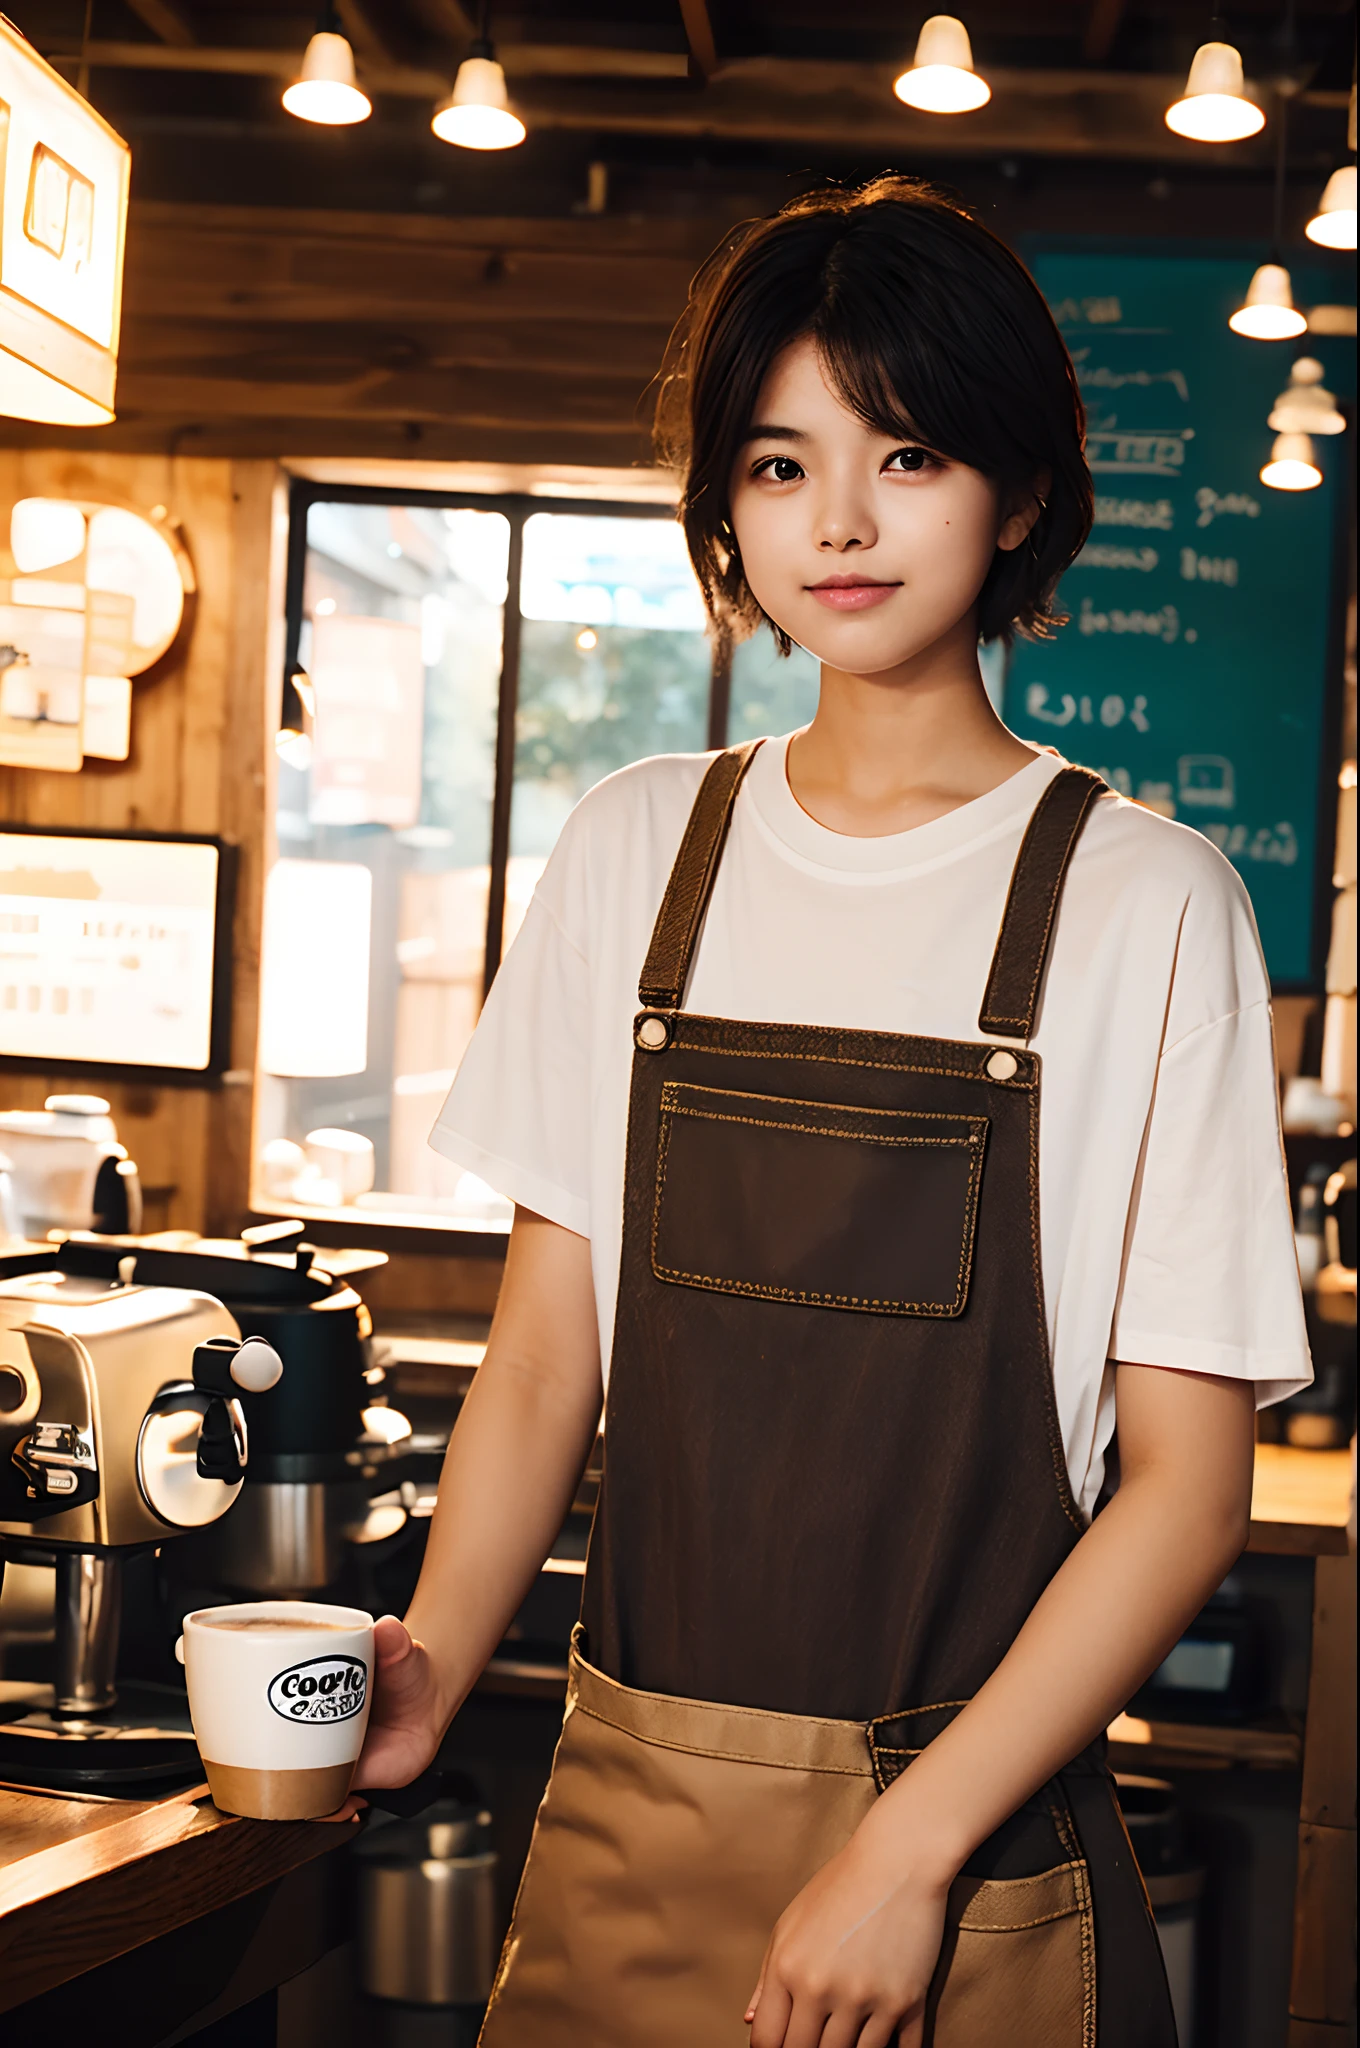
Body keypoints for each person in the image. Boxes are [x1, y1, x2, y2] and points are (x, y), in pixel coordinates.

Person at [345, 179, 1311, 2047]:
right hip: (624, 1810)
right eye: (783, 467)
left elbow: (1188, 1495)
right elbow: (549, 1364)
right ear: (727, 503)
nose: (842, 524)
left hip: (964, 1865)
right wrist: (433, 1671)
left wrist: (905, 1854)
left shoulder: (1148, 900)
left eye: (912, 452)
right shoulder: (640, 846)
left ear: (1018, 494)